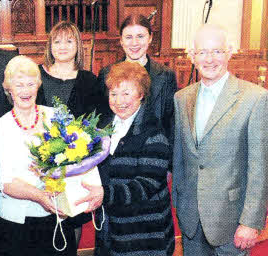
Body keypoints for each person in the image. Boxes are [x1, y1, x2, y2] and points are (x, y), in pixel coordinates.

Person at [172, 24, 268, 255]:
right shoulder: (181, 98)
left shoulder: (255, 99)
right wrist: (179, 202)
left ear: (229, 52)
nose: (210, 59)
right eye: (203, 52)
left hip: (232, 221)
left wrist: (251, 222)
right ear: (192, 56)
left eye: (217, 51)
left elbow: (259, 167)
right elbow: (180, 157)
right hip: (190, 219)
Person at [75, 61, 174, 255]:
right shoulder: (103, 126)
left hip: (144, 233)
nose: (119, 101)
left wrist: (104, 193)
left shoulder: (153, 133)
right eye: (114, 94)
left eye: (126, 93)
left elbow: (147, 185)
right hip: (111, 229)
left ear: (141, 94)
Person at [0, 55, 77, 256]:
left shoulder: (56, 116)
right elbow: (4, 182)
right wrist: (40, 197)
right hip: (16, 222)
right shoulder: (2, 125)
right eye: (19, 85)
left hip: (56, 213)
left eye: (31, 84)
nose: (25, 90)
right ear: (9, 89)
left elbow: (75, 159)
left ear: (38, 86)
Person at [97, 15, 177, 141]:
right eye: (128, 37)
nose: (134, 43)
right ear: (121, 41)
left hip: (153, 150)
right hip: (116, 149)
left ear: (150, 38)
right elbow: (102, 118)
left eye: (140, 36)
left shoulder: (166, 75)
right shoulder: (106, 73)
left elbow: (170, 122)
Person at [37, 21, 105, 118]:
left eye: (69, 41)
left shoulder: (89, 80)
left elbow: (98, 119)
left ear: (78, 45)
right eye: (57, 42)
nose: (62, 47)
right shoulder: (35, 75)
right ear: (50, 46)